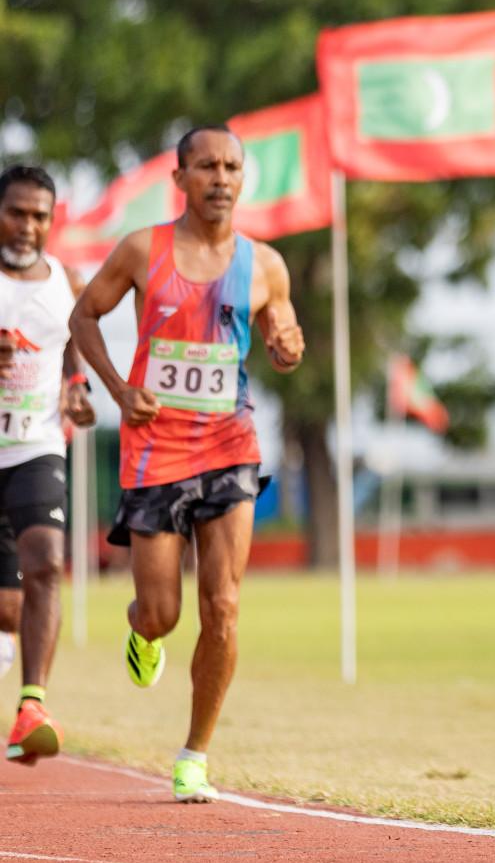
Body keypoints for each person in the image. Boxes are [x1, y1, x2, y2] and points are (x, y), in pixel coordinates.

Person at [70, 125, 304, 803]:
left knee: (223, 606)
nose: (221, 178)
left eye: (231, 167)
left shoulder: (265, 265)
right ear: (180, 179)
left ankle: (194, 753)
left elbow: (283, 338)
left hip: (231, 446)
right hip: (155, 448)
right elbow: (84, 317)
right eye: (206, 166)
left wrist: (287, 346)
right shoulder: (142, 250)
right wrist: (119, 390)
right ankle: (142, 632)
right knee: (162, 612)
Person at [0, 164, 96, 766]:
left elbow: (75, 335)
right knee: (7, 609)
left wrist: (78, 386)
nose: (27, 226)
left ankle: (32, 706)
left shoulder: (66, 280)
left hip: (35, 445)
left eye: (39, 215)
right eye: (16, 212)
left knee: (46, 563)